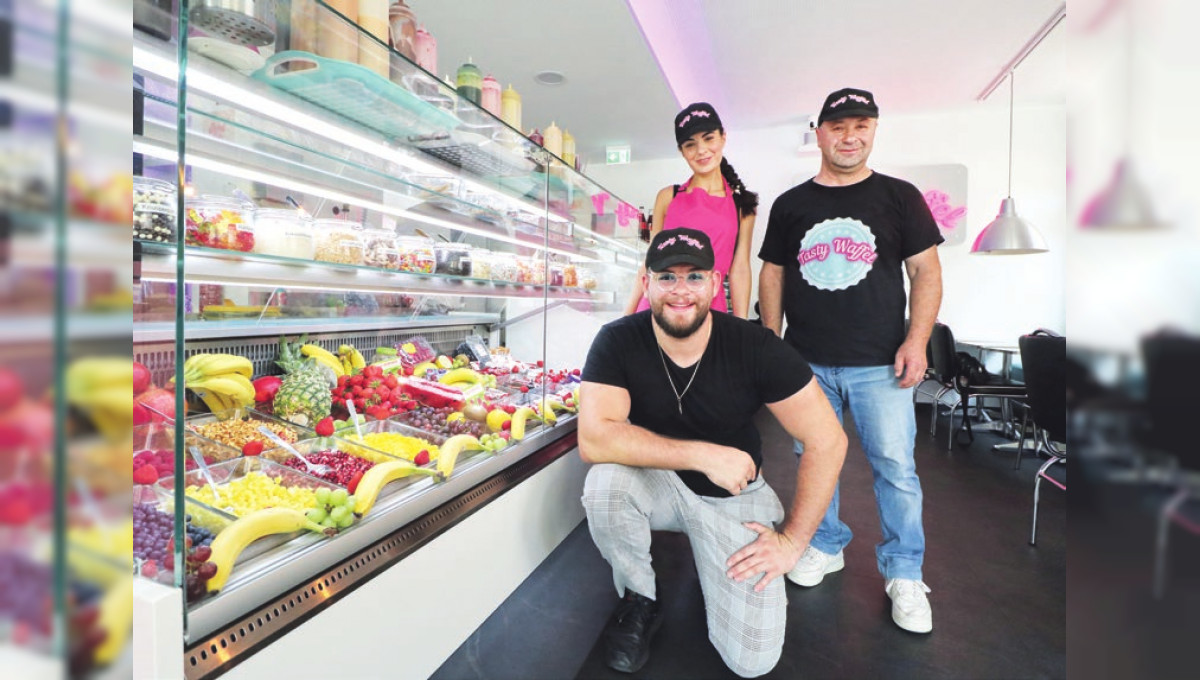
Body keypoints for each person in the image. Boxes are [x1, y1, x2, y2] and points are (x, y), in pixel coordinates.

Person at [580, 228, 847, 676]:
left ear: (715, 282)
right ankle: (641, 596)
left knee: (752, 661)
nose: (680, 291)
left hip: (734, 498)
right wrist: (704, 455)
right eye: (666, 277)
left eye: (694, 276)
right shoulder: (617, 340)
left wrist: (793, 543)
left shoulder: (756, 346)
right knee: (605, 484)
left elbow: (828, 439)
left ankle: (716, 569)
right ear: (646, 283)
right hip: (657, 486)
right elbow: (594, 439)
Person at [757, 87, 945, 634]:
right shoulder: (791, 204)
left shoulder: (900, 197)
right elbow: (773, 272)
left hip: (880, 365)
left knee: (896, 470)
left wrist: (917, 340)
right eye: (839, 126)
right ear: (818, 132)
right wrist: (772, 340)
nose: (850, 136)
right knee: (816, 459)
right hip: (807, 363)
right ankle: (825, 543)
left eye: (862, 125)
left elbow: (926, 273)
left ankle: (905, 571)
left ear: (874, 130)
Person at [623, 102, 758, 319]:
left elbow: (740, 269)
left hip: (709, 308)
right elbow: (650, 261)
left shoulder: (743, 205)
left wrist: (741, 326)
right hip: (660, 304)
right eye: (690, 144)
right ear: (682, 151)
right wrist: (626, 316)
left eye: (708, 138)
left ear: (723, 137)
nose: (701, 151)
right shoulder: (668, 197)